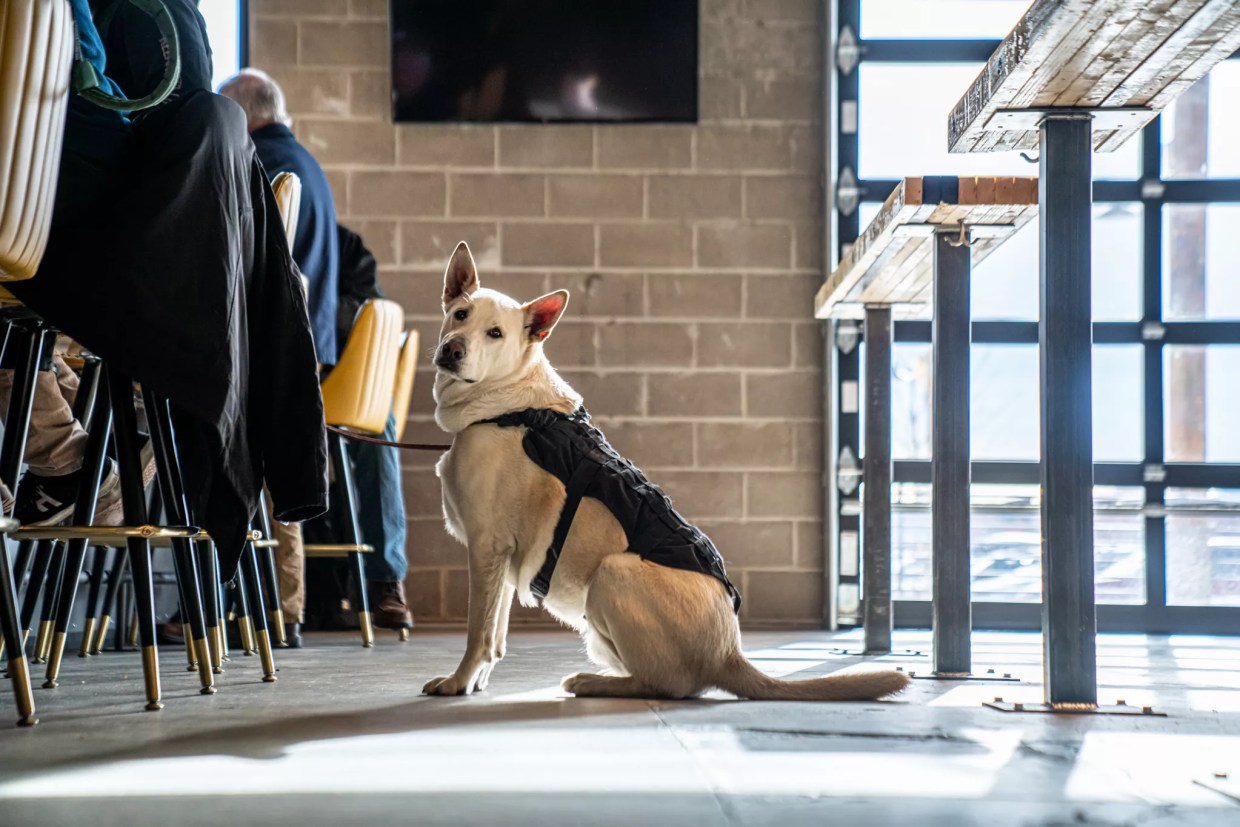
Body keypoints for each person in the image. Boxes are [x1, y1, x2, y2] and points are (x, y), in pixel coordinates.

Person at [9, 0, 329, 579]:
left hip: (132, 267)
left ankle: (84, 454)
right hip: (181, 307)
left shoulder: (135, 14)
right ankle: (103, 441)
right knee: (32, 333)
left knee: (19, 326)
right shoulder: (270, 148)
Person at [219, 68, 340, 644]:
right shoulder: (311, 167)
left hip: (266, 334)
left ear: (240, 114)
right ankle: (281, 612)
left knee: (253, 462)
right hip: (306, 336)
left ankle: (225, 605)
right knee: (282, 464)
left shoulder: (256, 160)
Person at [335, 225, 413, 629]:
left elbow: (371, 311)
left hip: (333, 387)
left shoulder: (342, 244)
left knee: (377, 425)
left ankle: (385, 579)